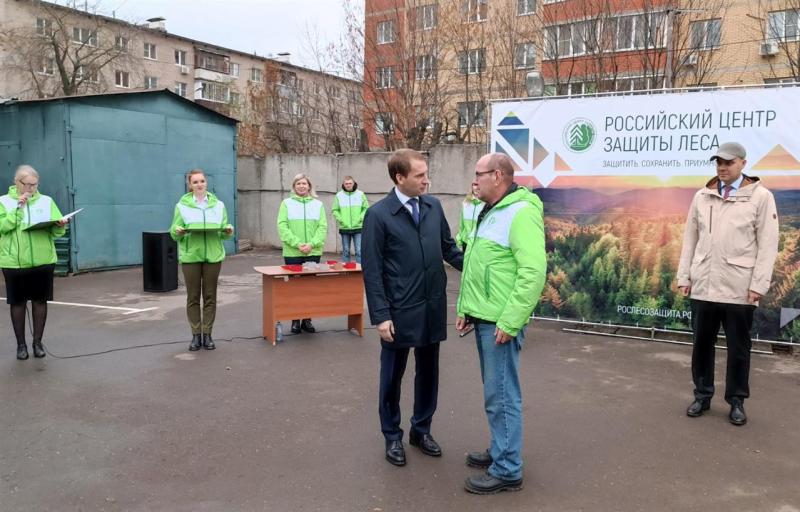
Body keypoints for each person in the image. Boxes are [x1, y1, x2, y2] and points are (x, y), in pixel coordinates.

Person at [362, 148, 463, 467]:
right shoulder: (378, 215)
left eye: (425, 173)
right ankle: (392, 436)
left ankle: (421, 430)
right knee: (392, 377)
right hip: (398, 311)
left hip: (432, 307)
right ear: (399, 177)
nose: (426, 180)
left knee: (429, 373)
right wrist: (380, 315)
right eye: (419, 175)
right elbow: (373, 271)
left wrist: (481, 268)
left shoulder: (433, 206)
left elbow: (449, 249)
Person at [456, 153, 546, 495]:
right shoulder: (489, 210)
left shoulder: (521, 212)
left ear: (497, 175)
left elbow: (533, 273)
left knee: (503, 395)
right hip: (483, 316)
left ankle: (508, 468)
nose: (474, 180)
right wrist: (466, 308)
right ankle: (500, 450)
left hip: (500, 322)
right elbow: (478, 265)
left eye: (478, 174)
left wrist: (510, 320)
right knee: (495, 392)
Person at [677, 141, 779, 426]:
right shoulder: (702, 196)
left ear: (743, 163)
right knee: (701, 345)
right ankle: (702, 395)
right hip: (704, 285)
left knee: (738, 348)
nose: (722, 167)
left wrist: (758, 284)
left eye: (729, 162)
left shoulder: (761, 197)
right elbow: (690, 239)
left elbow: (768, 244)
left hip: (740, 287)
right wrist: (685, 276)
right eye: (718, 162)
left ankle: (736, 401)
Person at [0, 165, 69, 360]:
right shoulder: (3, 202)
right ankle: (21, 346)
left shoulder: (46, 201)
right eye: (27, 184)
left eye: (35, 184)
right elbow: (2, 228)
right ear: (17, 182)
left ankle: (37, 343)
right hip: (14, 262)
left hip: (43, 260)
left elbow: (55, 232)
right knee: (18, 303)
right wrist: (17, 208)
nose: (31, 188)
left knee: (40, 301)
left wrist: (59, 225)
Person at [170, 169, 234, 352]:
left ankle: (208, 334)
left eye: (202, 181)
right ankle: (195, 335)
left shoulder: (219, 205)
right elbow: (173, 231)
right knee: (192, 297)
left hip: (213, 256)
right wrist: (178, 231)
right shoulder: (181, 206)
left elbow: (224, 231)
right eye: (195, 182)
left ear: (207, 183)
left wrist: (228, 231)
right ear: (190, 185)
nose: (199, 184)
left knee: (210, 296)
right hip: (191, 256)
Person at [277, 173, 328, 334]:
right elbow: (282, 226)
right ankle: (295, 321)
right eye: (298, 183)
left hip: (313, 252)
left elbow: (322, 227)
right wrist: (297, 244)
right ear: (294, 186)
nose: (301, 186)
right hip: (293, 252)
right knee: (294, 287)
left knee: (309, 287)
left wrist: (311, 244)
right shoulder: (286, 203)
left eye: (304, 183)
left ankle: (307, 320)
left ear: (309, 186)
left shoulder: (318, 204)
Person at [331, 175, 369, 263]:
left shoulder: (360, 194)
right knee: (346, 251)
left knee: (359, 251)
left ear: (353, 183)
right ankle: (346, 272)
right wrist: (341, 220)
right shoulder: (339, 195)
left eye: (350, 183)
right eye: (346, 183)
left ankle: (359, 271)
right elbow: (335, 210)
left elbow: (366, 208)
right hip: (344, 227)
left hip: (358, 227)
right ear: (343, 185)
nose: (348, 185)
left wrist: (360, 218)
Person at [455, 187, 484, 252]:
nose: (476, 187)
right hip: (466, 241)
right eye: (474, 185)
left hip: (477, 242)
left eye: (477, 185)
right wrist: (459, 239)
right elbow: (461, 223)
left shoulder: (486, 204)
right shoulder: (465, 203)